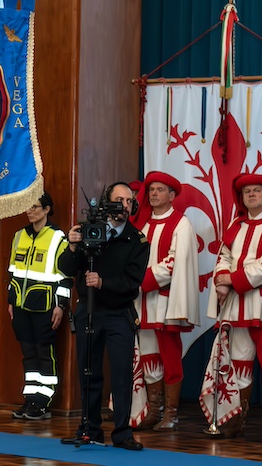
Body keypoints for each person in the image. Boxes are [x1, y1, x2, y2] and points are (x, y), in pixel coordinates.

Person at [58, 182, 149, 451]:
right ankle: (90, 429)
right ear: (106, 202)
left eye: (129, 200)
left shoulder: (138, 240)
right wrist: (73, 247)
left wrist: (103, 282)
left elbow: (132, 282)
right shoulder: (89, 231)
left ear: (133, 206)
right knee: (89, 372)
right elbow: (64, 268)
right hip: (88, 311)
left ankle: (122, 433)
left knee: (122, 375)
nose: (123, 205)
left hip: (119, 313)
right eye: (118, 199)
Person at [205, 173, 262, 441]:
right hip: (236, 306)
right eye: (247, 192)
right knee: (239, 364)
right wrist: (221, 281)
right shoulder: (237, 223)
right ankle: (237, 420)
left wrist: (232, 279)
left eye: (257, 191)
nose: (252, 195)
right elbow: (225, 254)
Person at [133, 172, 199, 431]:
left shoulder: (181, 224)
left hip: (166, 302)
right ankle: (154, 409)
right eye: (151, 190)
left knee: (170, 357)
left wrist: (142, 280)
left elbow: (175, 262)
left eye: (160, 190)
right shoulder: (144, 224)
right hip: (143, 303)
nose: (154, 194)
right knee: (149, 356)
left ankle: (171, 413)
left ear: (172, 196)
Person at [7, 192, 68, 419]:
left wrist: (60, 305)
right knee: (28, 353)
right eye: (28, 207)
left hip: (45, 305)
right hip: (21, 304)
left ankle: (43, 402)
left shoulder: (58, 237)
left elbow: (65, 277)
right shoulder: (19, 235)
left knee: (44, 353)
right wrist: (11, 300)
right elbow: (12, 271)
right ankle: (30, 399)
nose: (30, 211)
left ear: (47, 209)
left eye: (35, 207)